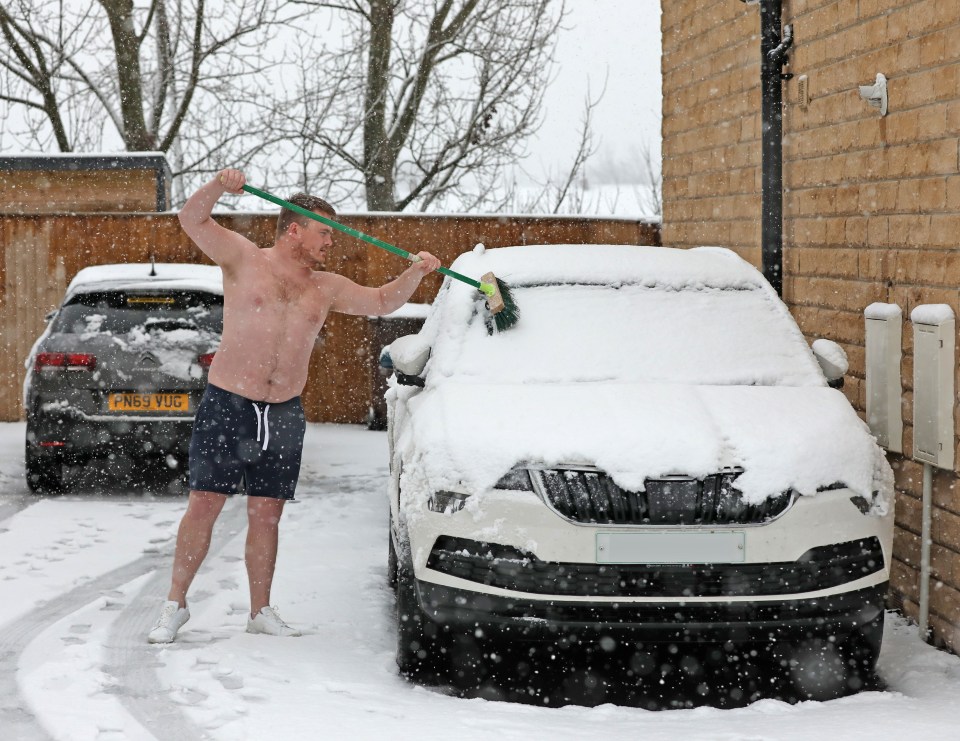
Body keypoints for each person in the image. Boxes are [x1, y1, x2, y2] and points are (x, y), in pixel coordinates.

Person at [147, 169, 441, 643]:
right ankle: (174, 605)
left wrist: (416, 271)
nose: (331, 242)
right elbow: (191, 218)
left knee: (268, 514)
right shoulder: (243, 258)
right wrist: (221, 186)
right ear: (293, 229)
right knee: (204, 506)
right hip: (228, 403)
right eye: (325, 232)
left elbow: (383, 302)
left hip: (283, 411)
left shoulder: (325, 286)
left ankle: (259, 610)